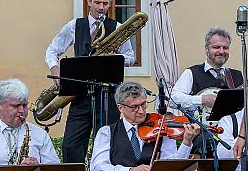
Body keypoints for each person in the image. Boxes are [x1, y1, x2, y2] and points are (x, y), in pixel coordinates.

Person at [45, 0, 135, 163]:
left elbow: (130, 57)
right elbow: (52, 50)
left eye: (105, 3)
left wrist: (115, 57)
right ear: (89, 2)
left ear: (110, 3)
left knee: (108, 147)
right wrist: (55, 70)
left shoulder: (117, 27)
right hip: (79, 95)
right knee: (71, 146)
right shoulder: (74, 26)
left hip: (107, 96)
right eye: (97, 3)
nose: (101, 8)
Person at [90, 81, 200, 171]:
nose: (141, 111)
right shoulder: (107, 132)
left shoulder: (161, 126)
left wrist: (186, 142)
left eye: (143, 104)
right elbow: (98, 167)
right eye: (135, 107)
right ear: (120, 108)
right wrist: (129, 170)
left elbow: (172, 166)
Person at [170, 26, 243, 157]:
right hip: (203, 135)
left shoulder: (237, 76)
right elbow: (173, 99)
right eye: (216, 47)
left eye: (225, 48)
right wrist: (202, 100)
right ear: (206, 48)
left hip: (233, 134)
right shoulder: (192, 73)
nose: (221, 51)